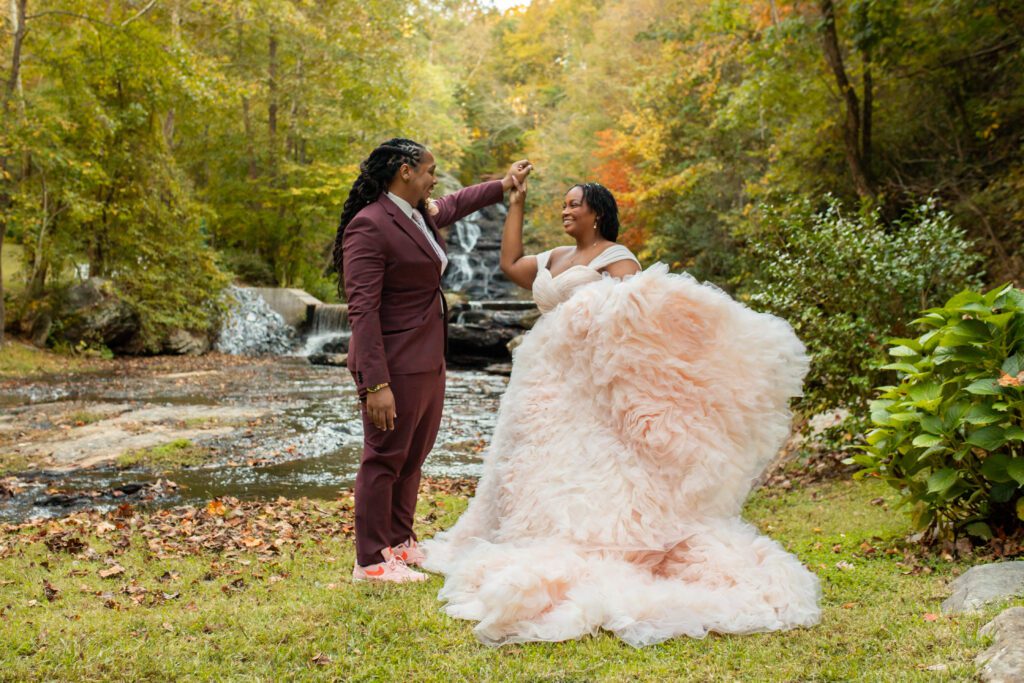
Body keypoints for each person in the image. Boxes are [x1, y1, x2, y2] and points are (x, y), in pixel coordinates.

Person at [421, 178, 822, 646]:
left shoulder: (618, 259)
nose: (566, 211)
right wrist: (516, 202)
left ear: (597, 213)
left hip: (587, 385)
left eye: (575, 205)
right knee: (532, 469)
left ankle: (595, 544)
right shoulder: (552, 258)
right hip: (539, 381)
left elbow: (637, 329)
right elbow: (509, 263)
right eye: (564, 205)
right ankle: (523, 536)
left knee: (589, 469)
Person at [332, 137, 531, 583]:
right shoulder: (369, 224)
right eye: (429, 169)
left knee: (413, 455)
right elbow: (362, 311)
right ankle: (371, 560)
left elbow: (456, 203)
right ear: (405, 170)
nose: (434, 177)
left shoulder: (417, 213)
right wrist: (375, 384)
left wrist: (503, 185)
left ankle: (400, 543)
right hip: (394, 362)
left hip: (428, 357)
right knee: (383, 456)